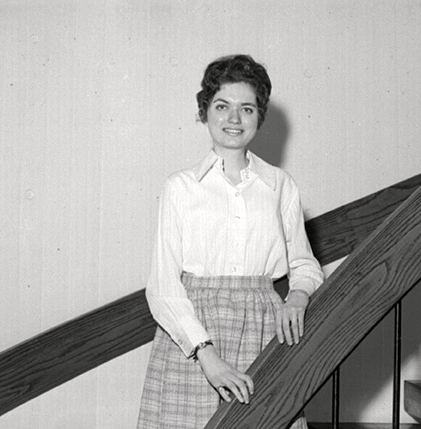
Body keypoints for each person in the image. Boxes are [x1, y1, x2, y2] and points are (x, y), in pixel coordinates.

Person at [137, 54, 324, 429]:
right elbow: (162, 287)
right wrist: (207, 356)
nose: (234, 119)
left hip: (263, 332)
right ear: (205, 111)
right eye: (222, 106)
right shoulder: (181, 187)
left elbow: (304, 265)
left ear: (260, 117)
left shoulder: (280, 185)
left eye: (247, 108)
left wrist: (298, 297)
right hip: (193, 343)